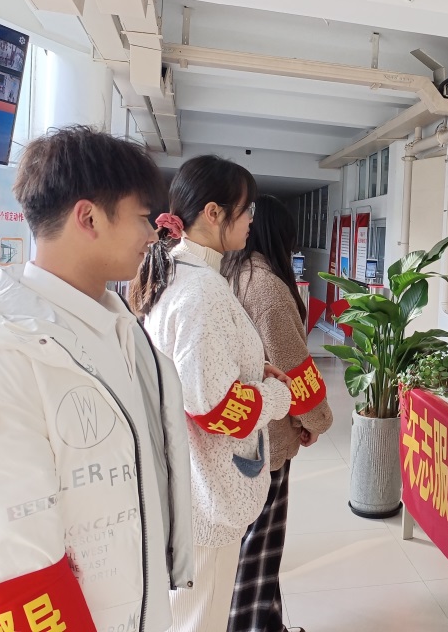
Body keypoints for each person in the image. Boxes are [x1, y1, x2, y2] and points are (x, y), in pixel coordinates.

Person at [0, 126, 194, 632]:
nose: (152, 235)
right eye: (143, 217)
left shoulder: (115, 323)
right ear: (89, 217)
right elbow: (5, 560)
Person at [130, 156, 293, 632]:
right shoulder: (203, 292)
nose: (250, 222)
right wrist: (276, 395)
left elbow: (193, 376)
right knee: (199, 619)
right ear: (214, 213)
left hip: (183, 483)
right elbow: (218, 409)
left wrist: (250, 369)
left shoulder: (174, 274)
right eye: (245, 211)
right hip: (207, 496)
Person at [222, 195, 334, 632]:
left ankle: (271, 625)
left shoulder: (231, 274)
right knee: (260, 552)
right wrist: (315, 421)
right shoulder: (267, 288)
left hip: (238, 434)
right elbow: (295, 368)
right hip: (265, 441)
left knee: (253, 548)